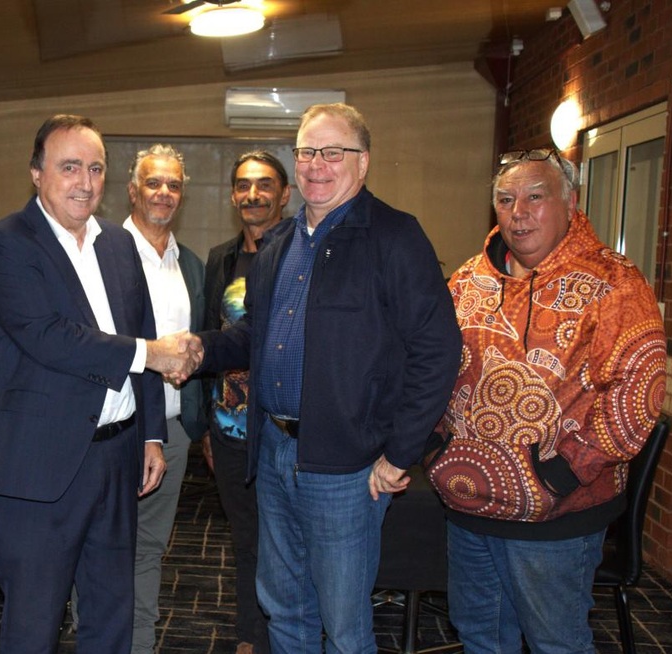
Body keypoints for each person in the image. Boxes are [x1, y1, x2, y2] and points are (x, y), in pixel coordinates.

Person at [195, 103, 461, 653]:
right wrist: (197, 350)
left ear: (362, 163)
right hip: (272, 456)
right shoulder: (279, 245)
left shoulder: (395, 237)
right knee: (284, 610)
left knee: (343, 627)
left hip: (347, 469)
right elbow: (256, 340)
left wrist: (398, 454)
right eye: (307, 151)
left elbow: (437, 351)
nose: (317, 164)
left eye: (333, 152)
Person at [424, 147, 667, 654]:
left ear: (571, 202)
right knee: (480, 639)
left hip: (557, 512)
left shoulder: (614, 282)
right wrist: (435, 442)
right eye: (506, 199)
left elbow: (637, 387)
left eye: (536, 197)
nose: (519, 212)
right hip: (469, 503)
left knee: (556, 644)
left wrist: (564, 471)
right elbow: (433, 366)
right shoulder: (468, 281)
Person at [0, 115, 200, 653]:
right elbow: (50, 337)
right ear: (36, 173)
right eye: (69, 167)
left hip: (116, 457)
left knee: (111, 614)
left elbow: (138, 327)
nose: (84, 181)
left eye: (95, 168)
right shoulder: (6, 244)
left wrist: (150, 434)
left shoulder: (118, 244)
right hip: (41, 464)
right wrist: (153, 354)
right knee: (33, 621)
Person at [202, 150, 292, 654]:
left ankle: (289, 635)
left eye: (263, 185)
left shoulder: (302, 252)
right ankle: (249, 637)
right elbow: (213, 340)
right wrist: (206, 430)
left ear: (284, 193)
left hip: (285, 428)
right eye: (242, 185)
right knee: (246, 540)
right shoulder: (221, 258)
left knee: (288, 542)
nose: (252, 194)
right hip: (230, 428)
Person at [122, 144, 208, 653]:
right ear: (133, 190)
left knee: (150, 547)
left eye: (173, 185)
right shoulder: (102, 251)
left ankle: (138, 642)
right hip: (117, 427)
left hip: (172, 430)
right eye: (153, 183)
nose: (163, 193)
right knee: (106, 545)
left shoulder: (190, 264)